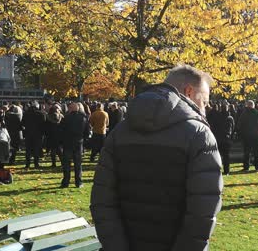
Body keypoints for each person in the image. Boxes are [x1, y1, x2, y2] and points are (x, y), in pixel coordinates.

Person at [90, 65, 222, 250]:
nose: (205, 109)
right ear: (189, 92)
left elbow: (101, 200)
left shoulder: (119, 131)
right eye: (205, 101)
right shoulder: (199, 134)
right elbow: (203, 211)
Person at [60, 102, 90, 188]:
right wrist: (83, 138)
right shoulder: (83, 118)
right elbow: (87, 131)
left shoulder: (66, 118)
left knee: (66, 164)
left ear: (71, 109)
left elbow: (61, 130)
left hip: (68, 143)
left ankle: (66, 182)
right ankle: (78, 182)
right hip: (78, 142)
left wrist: (62, 141)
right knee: (78, 164)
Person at [237, 100, 258, 171]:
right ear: (253, 105)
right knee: (257, 152)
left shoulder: (244, 114)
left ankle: (246, 167)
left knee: (247, 152)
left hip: (246, 135)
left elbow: (239, 125)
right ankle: (257, 167)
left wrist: (241, 133)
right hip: (256, 135)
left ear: (247, 105)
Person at [21, 101, 46, 169]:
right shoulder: (41, 114)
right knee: (36, 149)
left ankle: (27, 164)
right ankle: (36, 163)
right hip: (38, 134)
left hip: (28, 133)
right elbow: (44, 125)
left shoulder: (26, 113)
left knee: (28, 150)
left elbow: (22, 123)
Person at [215, 103, 235, 175]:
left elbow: (215, 127)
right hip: (227, 138)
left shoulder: (217, 117)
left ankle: (218, 169)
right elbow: (233, 128)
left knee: (219, 155)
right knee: (226, 156)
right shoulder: (230, 118)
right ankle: (227, 171)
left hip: (219, 138)